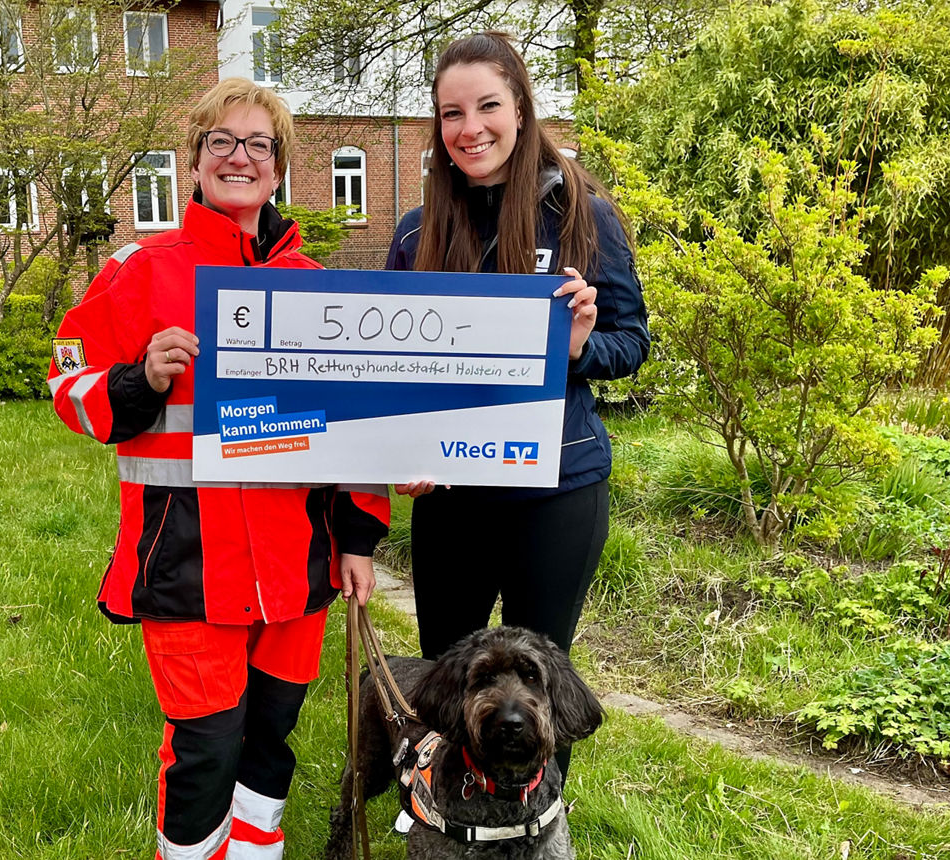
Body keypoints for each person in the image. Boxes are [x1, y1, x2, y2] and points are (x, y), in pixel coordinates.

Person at [48, 78, 390, 860]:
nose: (239, 157)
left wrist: (360, 536)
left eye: (257, 145)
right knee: (206, 745)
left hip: (295, 566)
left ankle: (256, 850)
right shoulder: (138, 272)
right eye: (221, 143)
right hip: (186, 560)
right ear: (196, 160)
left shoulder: (317, 289)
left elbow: (358, 429)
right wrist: (138, 379)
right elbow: (66, 381)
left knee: (271, 735)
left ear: (278, 170)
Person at [389, 32, 650, 773]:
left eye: (487, 106)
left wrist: (579, 349)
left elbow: (631, 342)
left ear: (522, 108)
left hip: (556, 492)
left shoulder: (582, 215)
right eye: (450, 113)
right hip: (454, 496)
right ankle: (435, 816)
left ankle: (537, 829)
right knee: (446, 680)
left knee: (541, 686)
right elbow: (393, 372)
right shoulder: (416, 232)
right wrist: (401, 448)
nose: (469, 127)